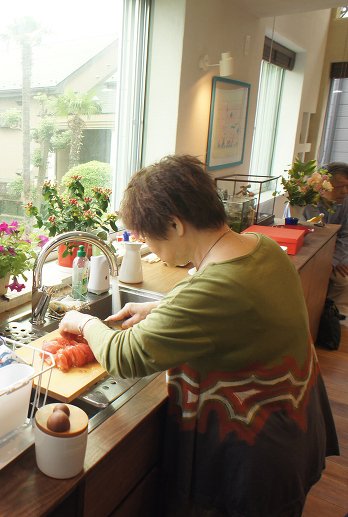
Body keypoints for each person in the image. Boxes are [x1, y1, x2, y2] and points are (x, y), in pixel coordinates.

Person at [60, 154, 339, 517]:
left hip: (253, 461)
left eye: (147, 238)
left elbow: (124, 356)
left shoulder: (217, 286)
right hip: (294, 430)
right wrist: (157, 309)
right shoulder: (260, 246)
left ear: (175, 225)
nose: (150, 249)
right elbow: (236, 314)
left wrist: (82, 323)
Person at [303, 162, 348, 318]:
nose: (345, 191)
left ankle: (333, 318)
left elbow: (346, 236)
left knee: (342, 280)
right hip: (309, 254)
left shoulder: (346, 203)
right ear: (323, 187)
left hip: (338, 255)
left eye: (347, 186)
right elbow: (300, 233)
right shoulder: (305, 202)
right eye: (340, 186)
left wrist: (333, 261)